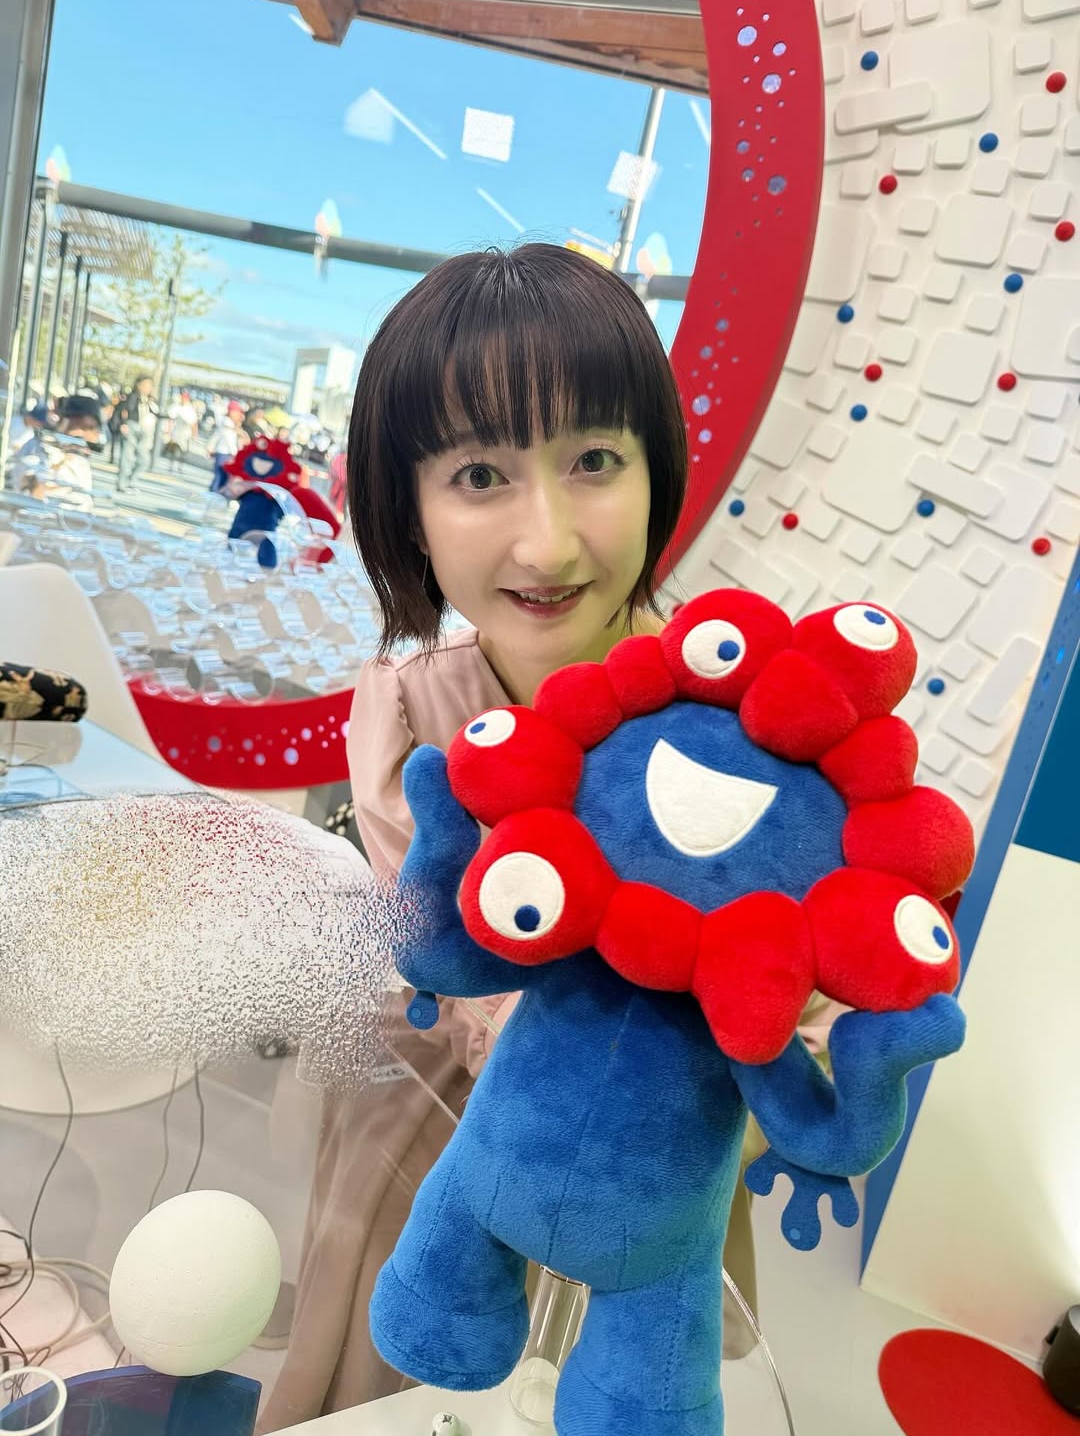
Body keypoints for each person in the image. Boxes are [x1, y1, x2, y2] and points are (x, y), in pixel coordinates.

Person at [257, 244, 840, 1432]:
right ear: (409, 509)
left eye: (594, 461)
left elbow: (820, 1004)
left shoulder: (747, 722)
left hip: (667, 1162)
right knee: (390, 1380)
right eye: (480, 474)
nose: (550, 544)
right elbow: (445, 953)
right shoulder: (416, 712)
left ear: (656, 467)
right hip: (445, 1120)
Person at [114, 375, 158, 491]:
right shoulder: (131, 397)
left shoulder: (150, 401)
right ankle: (122, 484)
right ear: (138, 385)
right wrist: (123, 424)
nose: (148, 388)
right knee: (127, 457)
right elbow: (123, 411)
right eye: (145, 385)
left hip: (146, 430)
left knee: (144, 459)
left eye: (150, 386)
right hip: (131, 427)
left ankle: (132, 481)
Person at [207, 403, 246, 493]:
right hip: (225, 454)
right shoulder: (227, 424)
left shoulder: (230, 424)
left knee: (222, 477)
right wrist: (235, 454)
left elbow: (216, 436)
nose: (239, 414)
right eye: (237, 412)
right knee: (220, 477)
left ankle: (214, 493)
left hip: (225, 453)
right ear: (231, 412)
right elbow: (230, 441)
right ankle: (214, 494)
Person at [164, 390, 199, 470]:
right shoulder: (175, 407)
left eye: (185, 398)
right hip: (176, 432)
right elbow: (170, 419)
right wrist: (168, 431)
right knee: (174, 449)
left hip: (186, 433)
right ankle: (171, 465)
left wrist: (194, 435)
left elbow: (194, 423)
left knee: (183, 450)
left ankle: (180, 466)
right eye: (182, 398)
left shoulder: (190, 409)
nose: (183, 400)